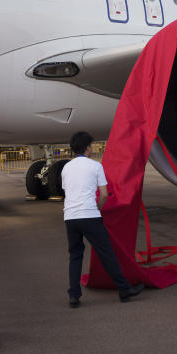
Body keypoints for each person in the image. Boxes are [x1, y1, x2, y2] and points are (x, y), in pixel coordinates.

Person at [62, 131, 144, 308]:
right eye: (91, 145)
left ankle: (74, 296)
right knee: (107, 253)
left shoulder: (66, 168)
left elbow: (67, 191)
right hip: (89, 215)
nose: (92, 148)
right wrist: (97, 208)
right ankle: (124, 289)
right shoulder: (95, 166)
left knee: (75, 256)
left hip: (70, 217)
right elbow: (105, 195)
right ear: (87, 148)